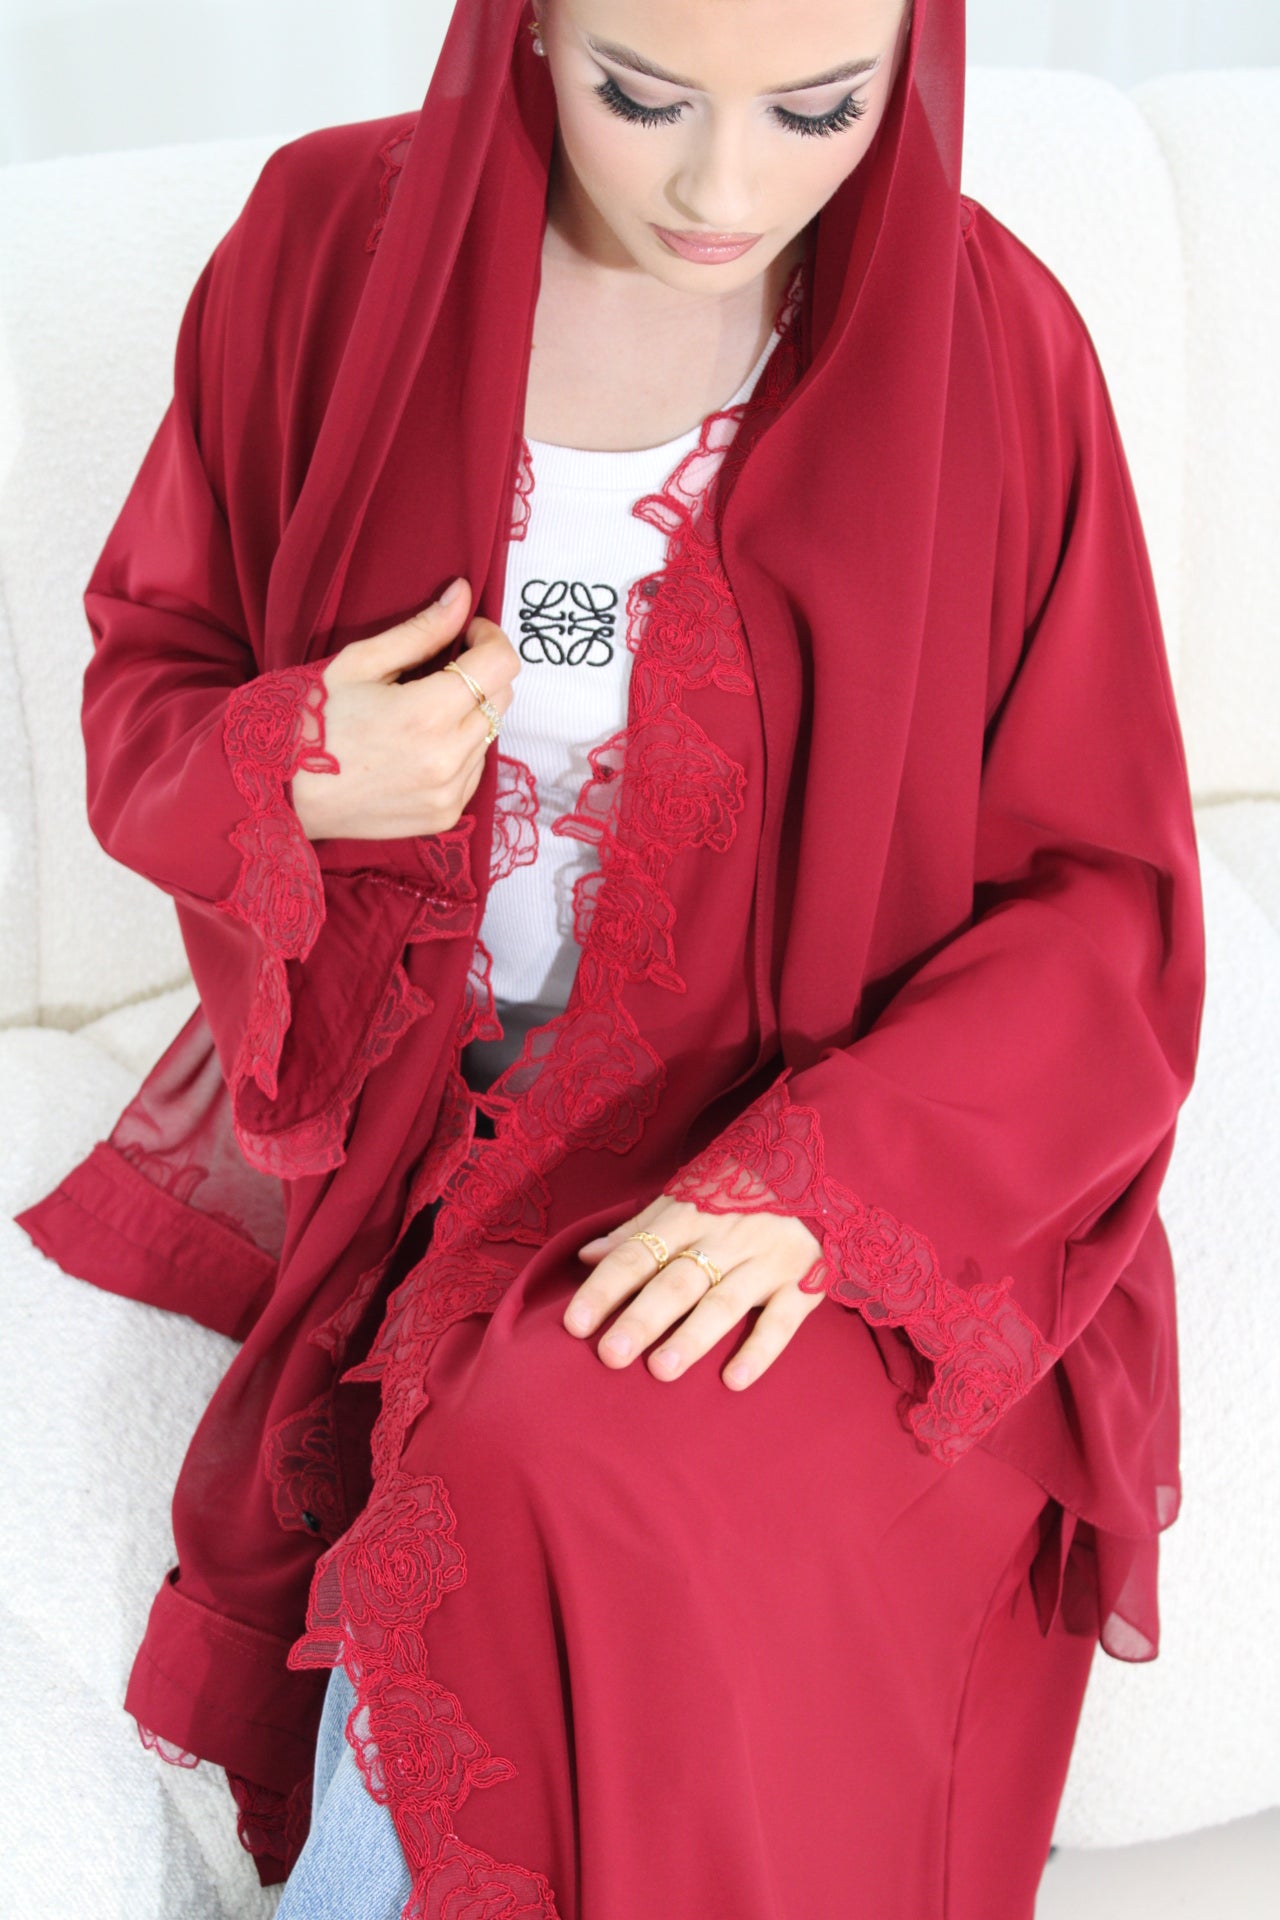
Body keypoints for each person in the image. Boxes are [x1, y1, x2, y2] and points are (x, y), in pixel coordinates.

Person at [12, 0, 1206, 1914]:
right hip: (433, 1117)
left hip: (839, 1140)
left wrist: (832, 1180)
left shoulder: (993, 345)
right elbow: (148, 682)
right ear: (534, 30)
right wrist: (302, 761)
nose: (725, 187)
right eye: (641, 95)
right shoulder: (330, 256)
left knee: (557, 1466)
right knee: (480, 1479)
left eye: (821, 109)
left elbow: (1106, 903)